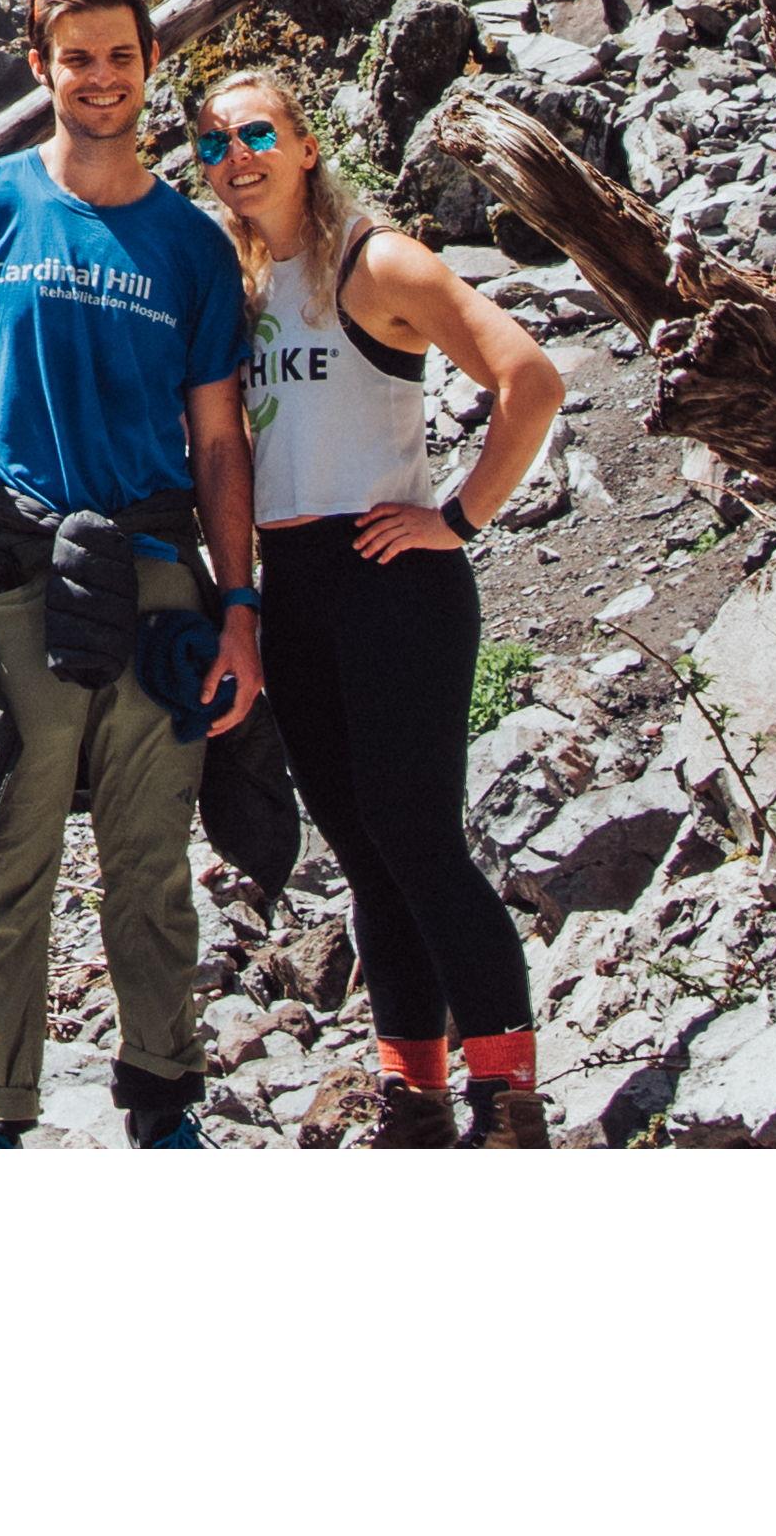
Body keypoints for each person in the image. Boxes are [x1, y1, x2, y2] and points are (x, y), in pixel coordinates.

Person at [0, 0, 259, 1148]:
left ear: (151, 68)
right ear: (41, 68)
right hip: (17, 575)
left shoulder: (193, 248)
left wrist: (238, 608)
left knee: (153, 863)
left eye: (122, 57)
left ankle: (164, 1100)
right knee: (10, 858)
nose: (102, 78)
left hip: (154, 576)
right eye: (77, 57)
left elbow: (219, 442)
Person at [190, 60, 566, 1147]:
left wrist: (461, 515)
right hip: (293, 590)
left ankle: (508, 1100)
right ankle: (417, 1096)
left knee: (418, 837)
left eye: (256, 134)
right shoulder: (246, 288)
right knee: (361, 850)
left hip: (392, 577)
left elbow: (529, 379)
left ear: (307, 145)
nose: (237, 161)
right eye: (214, 146)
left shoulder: (376, 262)